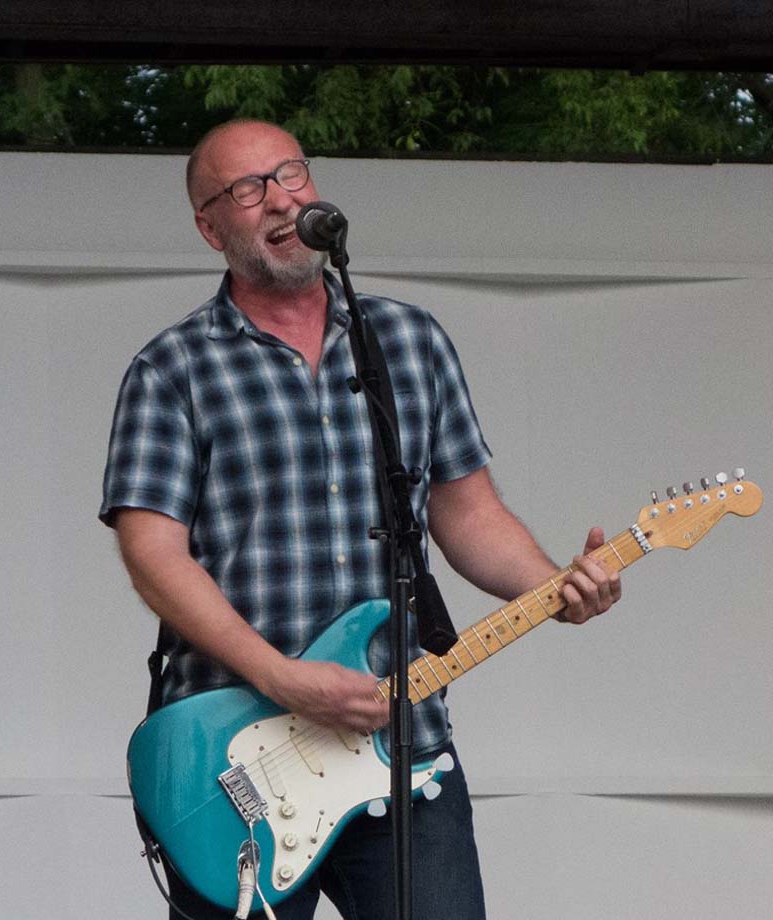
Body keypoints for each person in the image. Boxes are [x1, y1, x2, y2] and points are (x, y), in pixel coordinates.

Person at [100, 119, 622, 920]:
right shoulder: (172, 368)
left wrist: (557, 585)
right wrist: (282, 677)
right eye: (248, 189)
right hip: (237, 762)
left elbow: (470, 514)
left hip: (400, 746)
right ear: (210, 227)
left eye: (290, 174)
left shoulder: (407, 341)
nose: (279, 200)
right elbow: (152, 554)